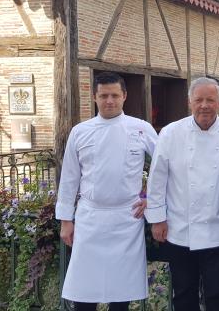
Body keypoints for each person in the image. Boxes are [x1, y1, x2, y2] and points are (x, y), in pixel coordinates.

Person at [55, 72, 158, 311]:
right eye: (103, 96)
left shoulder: (141, 128)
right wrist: (65, 220)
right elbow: (69, 178)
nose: (109, 101)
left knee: (120, 294)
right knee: (84, 293)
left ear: (124, 96)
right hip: (90, 218)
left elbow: (164, 166)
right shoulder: (80, 131)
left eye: (114, 95)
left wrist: (151, 198)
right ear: (94, 97)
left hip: (127, 219)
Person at [146, 77, 219, 311]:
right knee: (183, 293)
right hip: (180, 228)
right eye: (199, 100)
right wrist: (157, 218)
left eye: (210, 100)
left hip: (217, 229)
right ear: (189, 102)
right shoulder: (171, 133)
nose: (204, 105)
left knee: (217, 294)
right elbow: (157, 178)